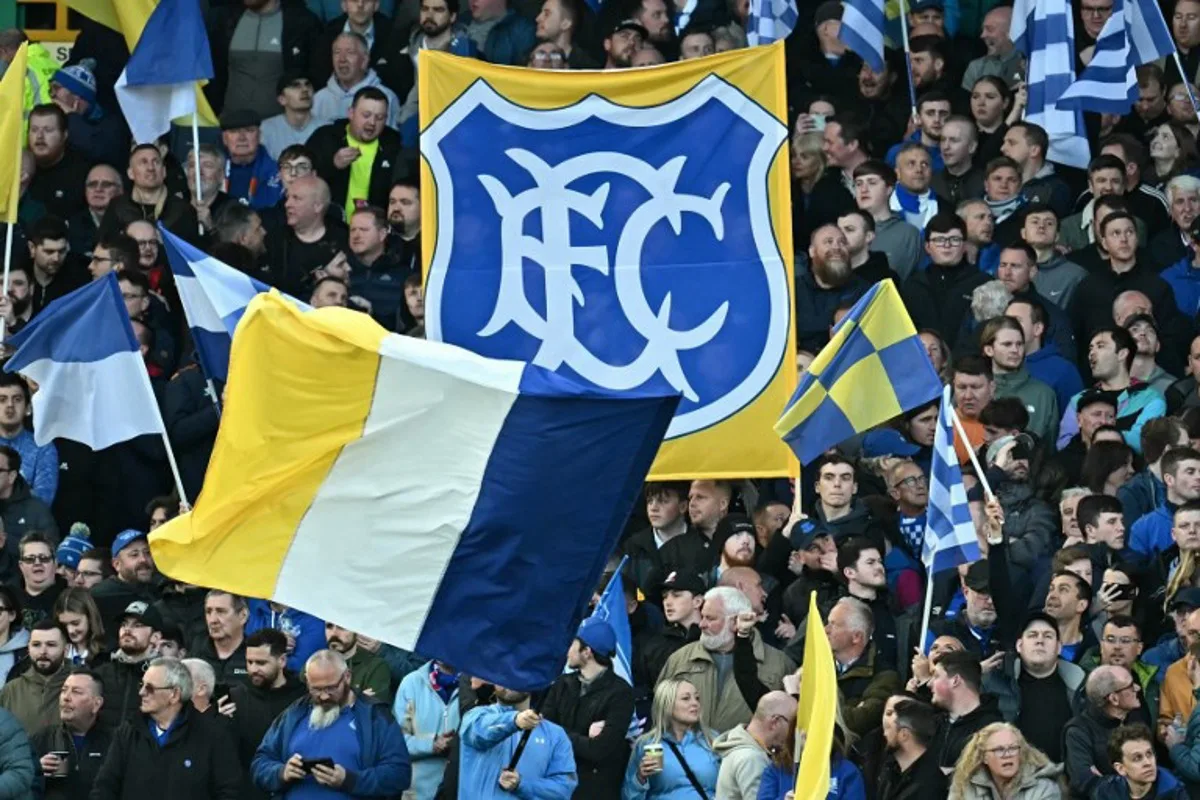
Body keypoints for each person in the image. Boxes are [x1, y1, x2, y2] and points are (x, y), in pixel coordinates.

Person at [252, 648, 411, 796]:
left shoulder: (375, 717)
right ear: (307, 681)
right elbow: (260, 763)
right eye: (316, 689)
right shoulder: (293, 714)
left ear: (347, 677)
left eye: (331, 688)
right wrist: (281, 773)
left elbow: (399, 774)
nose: (323, 696)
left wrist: (350, 780)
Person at [90, 657, 239, 799]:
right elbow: (105, 787)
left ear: (174, 694)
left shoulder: (213, 734)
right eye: (142, 685)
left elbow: (228, 791)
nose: (141, 693)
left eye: (150, 688)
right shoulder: (128, 731)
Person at [657, 587, 792, 734]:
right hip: (689, 754)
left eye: (710, 618)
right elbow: (659, 713)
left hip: (747, 754)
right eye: (702, 616)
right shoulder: (679, 659)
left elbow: (788, 727)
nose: (701, 624)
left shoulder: (779, 664)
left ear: (736, 622)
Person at [456, 681, 575, 798]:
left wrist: (522, 785)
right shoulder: (474, 717)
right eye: (504, 674)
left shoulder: (555, 734)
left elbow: (563, 789)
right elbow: (479, 732)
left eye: (519, 674)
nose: (510, 679)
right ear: (493, 681)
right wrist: (514, 721)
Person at [224, 629, 306, 799]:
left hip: (295, 789)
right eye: (249, 662)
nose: (253, 669)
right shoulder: (236, 698)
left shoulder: (303, 697)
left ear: (282, 660)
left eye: (261, 663)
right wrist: (217, 722)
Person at [309, 86, 404, 218]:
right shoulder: (326, 137)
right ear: (351, 113)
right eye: (366, 115)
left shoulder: (393, 144)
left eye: (380, 117)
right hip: (330, 225)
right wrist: (333, 165)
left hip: (375, 229)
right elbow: (304, 179)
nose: (372, 122)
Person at [621, 677, 718, 799]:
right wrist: (640, 778)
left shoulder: (712, 740)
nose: (695, 703)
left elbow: (732, 788)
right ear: (667, 704)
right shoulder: (648, 743)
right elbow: (627, 796)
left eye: (697, 698)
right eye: (686, 698)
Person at [31, 667, 112, 800]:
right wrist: (35, 770)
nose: (66, 697)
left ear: (97, 704)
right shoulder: (42, 738)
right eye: (64, 690)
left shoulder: (114, 742)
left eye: (76, 692)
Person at [826, 597, 902, 736]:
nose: (826, 630)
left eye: (834, 625)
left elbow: (856, 723)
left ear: (856, 637)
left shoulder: (885, 676)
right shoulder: (818, 664)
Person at [1065, 665, 1144, 796]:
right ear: (1114, 699)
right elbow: (1085, 781)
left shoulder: (1135, 720)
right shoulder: (1078, 731)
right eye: (1130, 686)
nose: (1137, 688)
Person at [391, 658, 460, 800]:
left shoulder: (476, 685)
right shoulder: (411, 683)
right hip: (418, 793)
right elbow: (394, 743)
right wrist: (432, 744)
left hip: (460, 790)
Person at [947, 722, 1063, 800]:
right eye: (999, 749)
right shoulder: (966, 786)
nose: (1007, 755)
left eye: (1012, 748)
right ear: (984, 757)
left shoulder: (1044, 788)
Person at [929, 650, 1004, 770]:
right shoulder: (933, 724)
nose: (929, 683)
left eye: (936, 676)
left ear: (955, 680)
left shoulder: (992, 730)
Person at [1096, 723, 1189, 798]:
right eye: (1137, 758)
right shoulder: (1108, 792)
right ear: (1121, 768)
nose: (1148, 763)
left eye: (1149, 754)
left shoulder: (1173, 792)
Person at [878, 698, 947, 800]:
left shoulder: (930, 784)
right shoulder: (890, 771)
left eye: (889, 729)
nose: (884, 734)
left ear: (904, 735)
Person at [324, 622, 392, 701]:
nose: (334, 633)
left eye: (342, 627)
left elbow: (370, 711)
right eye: (329, 626)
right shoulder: (316, 662)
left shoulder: (376, 667)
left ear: (357, 632)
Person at [194, 590, 248, 684]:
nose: (213, 620)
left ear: (243, 616)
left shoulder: (255, 655)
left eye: (221, 612)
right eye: (208, 612)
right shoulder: (196, 653)